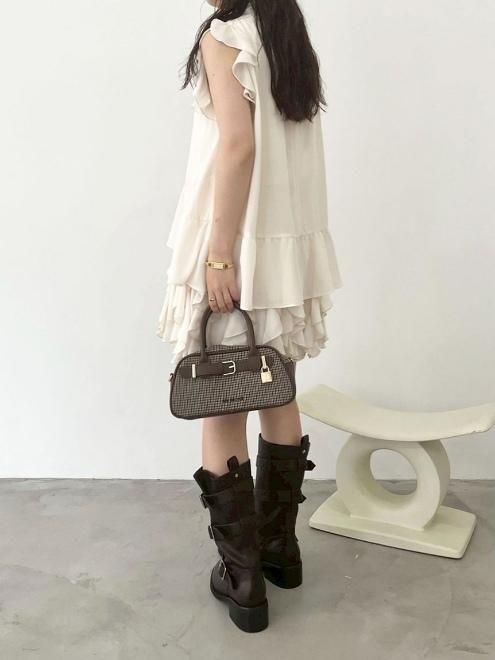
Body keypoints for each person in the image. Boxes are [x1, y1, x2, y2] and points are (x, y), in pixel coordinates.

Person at [157, 0, 342, 632]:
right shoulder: (285, 32)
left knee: (221, 403)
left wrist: (217, 256)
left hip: (235, 244)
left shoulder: (224, 36)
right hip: (284, 247)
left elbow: (237, 147)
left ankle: (243, 579)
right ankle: (279, 552)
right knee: (277, 389)